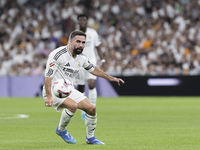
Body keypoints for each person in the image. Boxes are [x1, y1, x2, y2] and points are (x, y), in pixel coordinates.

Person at [43, 30, 124, 145]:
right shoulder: (57, 54)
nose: (81, 45)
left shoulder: (82, 58)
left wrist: (110, 78)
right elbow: (48, 76)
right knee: (73, 105)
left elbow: (93, 69)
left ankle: (90, 138)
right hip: (53, 90)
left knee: (91, 108)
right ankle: (61, 130)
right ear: (71, 42)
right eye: (78, 42)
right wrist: (49, 96)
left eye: (83, 42)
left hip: (68, 90)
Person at [69, 14, 105, 119]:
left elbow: (98, 46)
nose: (83, 22)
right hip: (79, 63)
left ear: (87, 21)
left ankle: (92, 108)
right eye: (81, 20)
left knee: (91, 84)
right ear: (78, 22)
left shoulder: (93, 33)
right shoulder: (74, 34)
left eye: (85, 20)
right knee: (81, 88)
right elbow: (70, 48)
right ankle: (83, 112)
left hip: (91, 61)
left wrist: (102, 59)